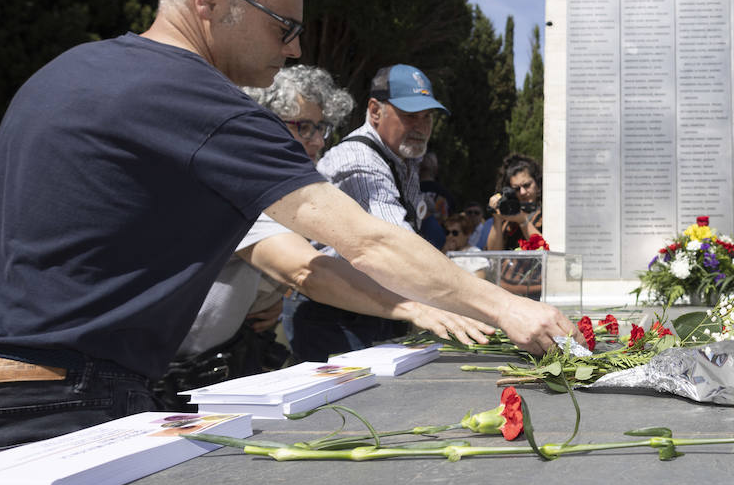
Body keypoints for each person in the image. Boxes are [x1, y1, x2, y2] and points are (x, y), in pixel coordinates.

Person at [0, 0, 573, 460]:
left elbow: (294, 257)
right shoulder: (202, 105)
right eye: (283, 27)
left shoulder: (67, 70)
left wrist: (413, 307)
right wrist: (506, 309)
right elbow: (364, 239)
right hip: (61, 401)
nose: (295, 49)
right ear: (210, 2)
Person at [161, 67, 490, 395]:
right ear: (260, 123)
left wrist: (270, 296)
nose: (318, 142)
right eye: (304, 128)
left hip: (218, 363)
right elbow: (309, 271)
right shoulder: (238, 184)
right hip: (165, 375)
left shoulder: (289, 187)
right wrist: (421, 308)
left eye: (322, 128)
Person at [287, 64, 454, 358]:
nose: (421, 126)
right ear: (375, 111)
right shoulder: (359, 161)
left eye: (427, 116)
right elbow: (395, 248)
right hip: (335, 316)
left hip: (378, 307)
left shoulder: (404, 157)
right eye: (409, 115)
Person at [485, 154, 546, 298]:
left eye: (527, 185)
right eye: (516, 189)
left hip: (538, 292)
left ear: (537, 183)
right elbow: (494, 255)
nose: (523, 192)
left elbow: (544, 251)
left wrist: (523, 221)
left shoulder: (547, 213)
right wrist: (497, 219)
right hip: (507, 293)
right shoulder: (508, 216)